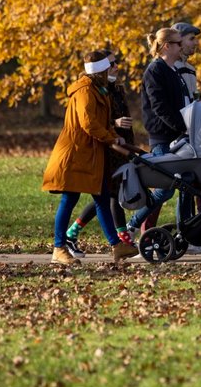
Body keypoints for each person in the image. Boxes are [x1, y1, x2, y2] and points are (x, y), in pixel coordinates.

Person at [42, 49, 139, 265]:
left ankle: (117, 246)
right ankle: (59, 247)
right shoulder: (86, 91)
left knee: (102, 198)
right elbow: (88, 124)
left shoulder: (99, 89)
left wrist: (114, 136)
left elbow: (101, 122)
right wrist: (111, 138)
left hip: (90, 154)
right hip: (76, 154)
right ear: (102, 69)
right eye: (111, 65)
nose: (115, 68)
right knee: (70, 199)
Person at [126, 28, 191, 238]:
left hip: (177, 136)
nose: (182, 47)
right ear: (167, 46)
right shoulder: (155, 71)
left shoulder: (173, 71)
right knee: (165, 188)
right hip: (163, 137)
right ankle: (133, 225)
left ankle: (187, 233)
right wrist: (181, 126)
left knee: (186, 183)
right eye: (179, 44)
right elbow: (159, 107)